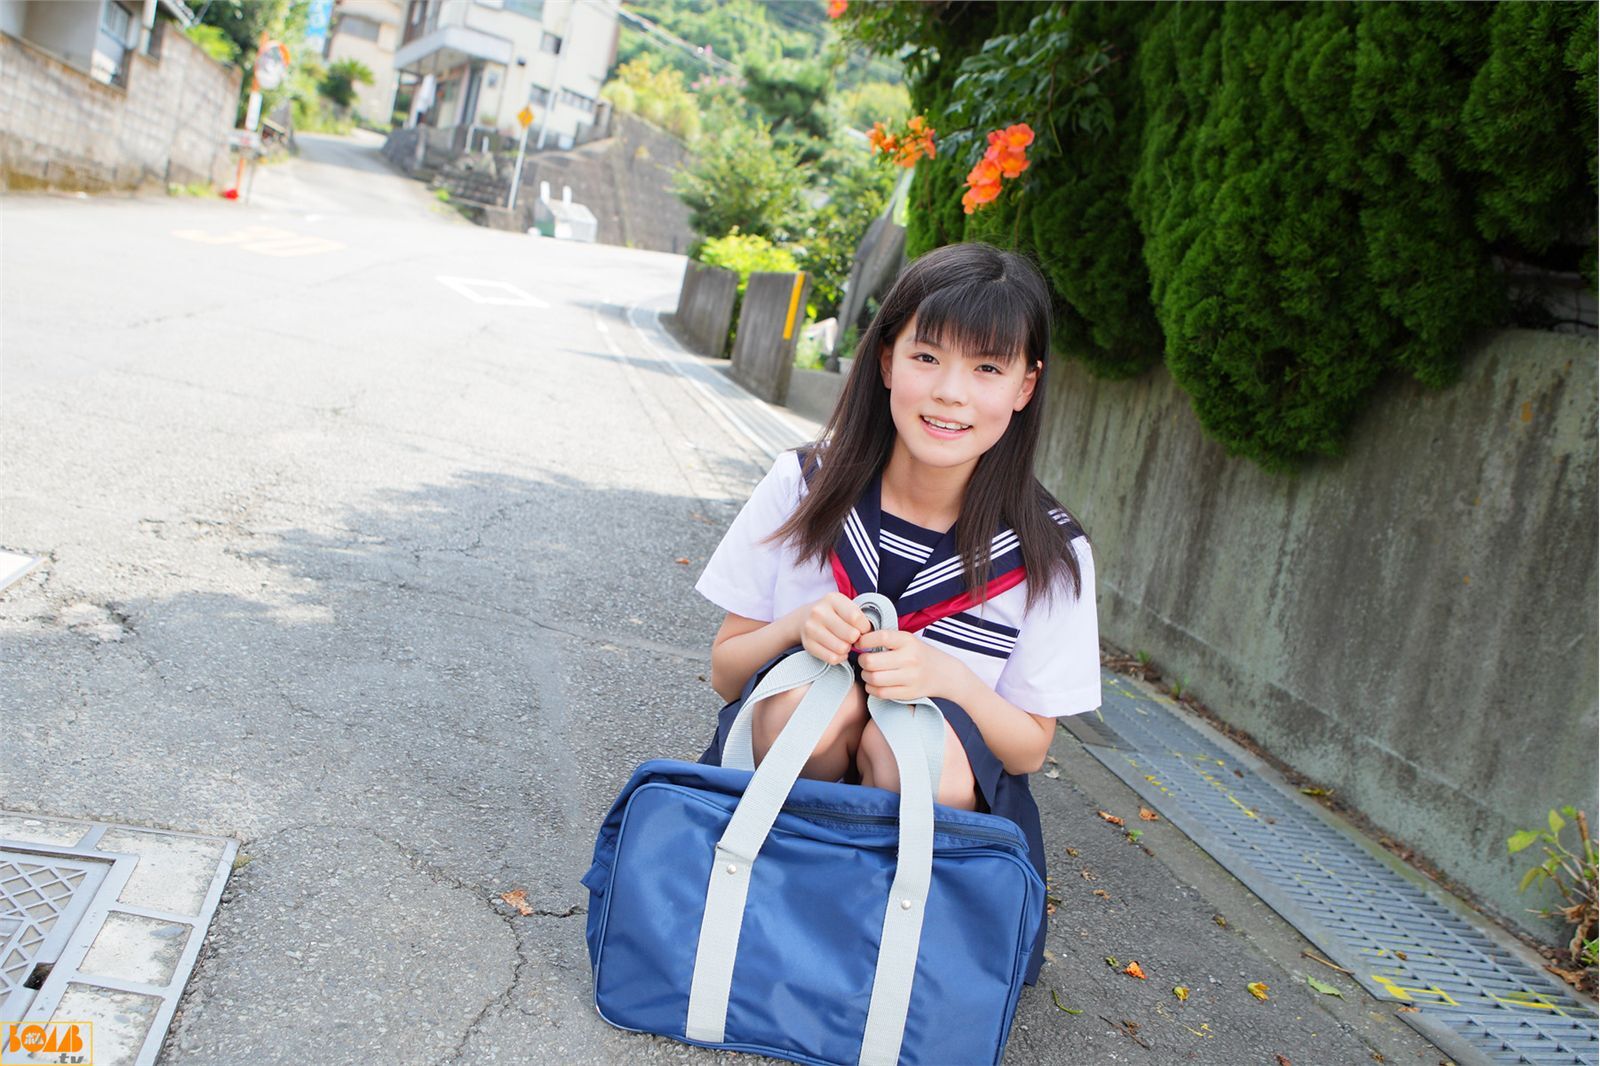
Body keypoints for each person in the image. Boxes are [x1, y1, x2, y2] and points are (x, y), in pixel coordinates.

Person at [693, 241, 1100, 984]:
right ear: (886, 361)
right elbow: (726, 674)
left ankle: (886, 950)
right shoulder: (804, 486)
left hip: (932, 833)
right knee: (818, 704)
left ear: (1024, 386)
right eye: (927, 357)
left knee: (911, 743)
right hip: (778, 780)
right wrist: (795, 627)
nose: (950, 393)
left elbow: (1028, 750)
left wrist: (951, 679)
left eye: (986, 368)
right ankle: (765, 907)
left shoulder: (1051, 555)